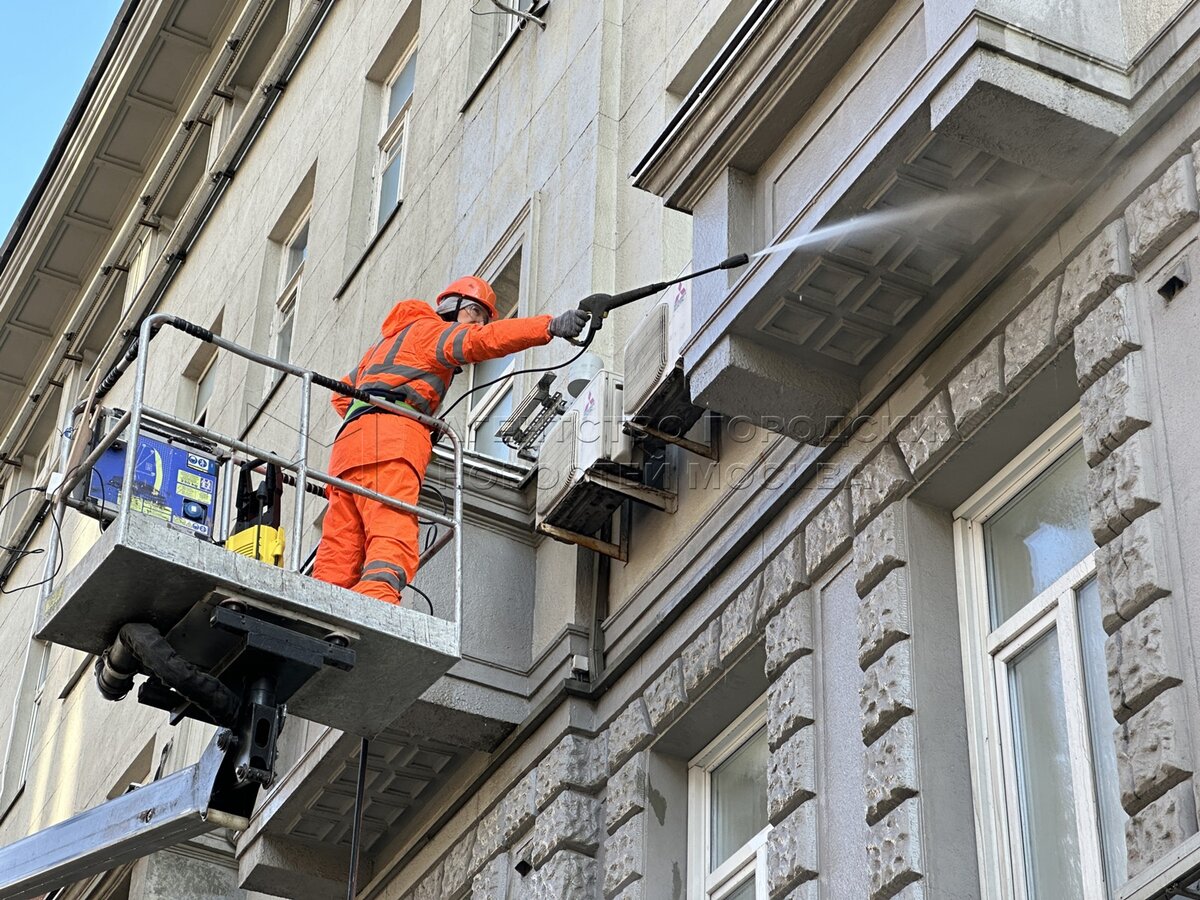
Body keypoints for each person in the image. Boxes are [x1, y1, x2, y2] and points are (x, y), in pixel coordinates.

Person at [313, 276, 589, 603]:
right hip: (391, 440)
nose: (477, 324)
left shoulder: (384, 345)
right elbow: (483, 341)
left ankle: (321, 604)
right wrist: (550, 326)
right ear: (457, 308)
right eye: (476, 315)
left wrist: (388, 406)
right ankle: (377, 601)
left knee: (342, 542)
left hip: (347, 448)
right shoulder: (432, 332)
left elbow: (341, 397)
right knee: (391, 527)